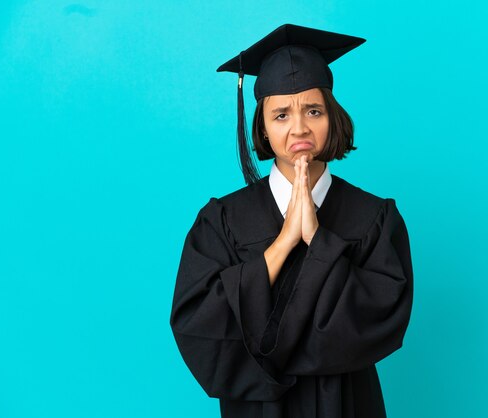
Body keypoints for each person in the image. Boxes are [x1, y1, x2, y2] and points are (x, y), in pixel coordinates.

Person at [169, 23, 414, 418]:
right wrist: (283, 243)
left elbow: (383, 319)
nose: (299, 127)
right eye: (280, 114)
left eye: (313, 110)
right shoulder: (223, 220)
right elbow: (198, 324)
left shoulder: (373, 217)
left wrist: (318, 239)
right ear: (262, 127)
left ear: (332, 117)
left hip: (348, 406)